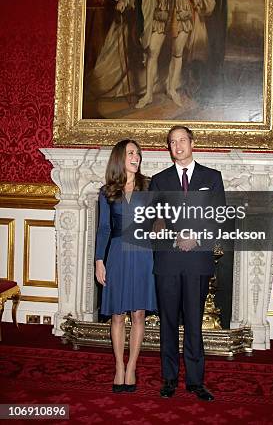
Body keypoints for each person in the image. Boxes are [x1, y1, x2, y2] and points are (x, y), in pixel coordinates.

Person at [149, 125, 225, 401]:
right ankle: (169, 379)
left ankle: (195, 381)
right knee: (167, 322)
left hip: (197, 260)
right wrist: (169, 232)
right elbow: (153, 219)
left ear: (192, 143)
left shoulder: (212, 177)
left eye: (182, 140)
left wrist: (196, 236)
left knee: (194, 322)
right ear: (168, 148)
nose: (178, 145)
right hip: (168, 261)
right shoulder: (159, 180)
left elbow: (219, 216)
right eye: (172, 142)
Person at [95, 139, 157, 393]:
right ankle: (119, 366)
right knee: (118, 315)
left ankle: (132, 366)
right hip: (118, 254)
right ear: (120, 158)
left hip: (143, 254)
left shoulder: (150, 186)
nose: (136, 157)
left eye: (138, 153)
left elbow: (160, 220)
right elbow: (104, 229)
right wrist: (99, 260)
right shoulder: (106, 191)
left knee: (139, 314)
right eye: (131, 153)